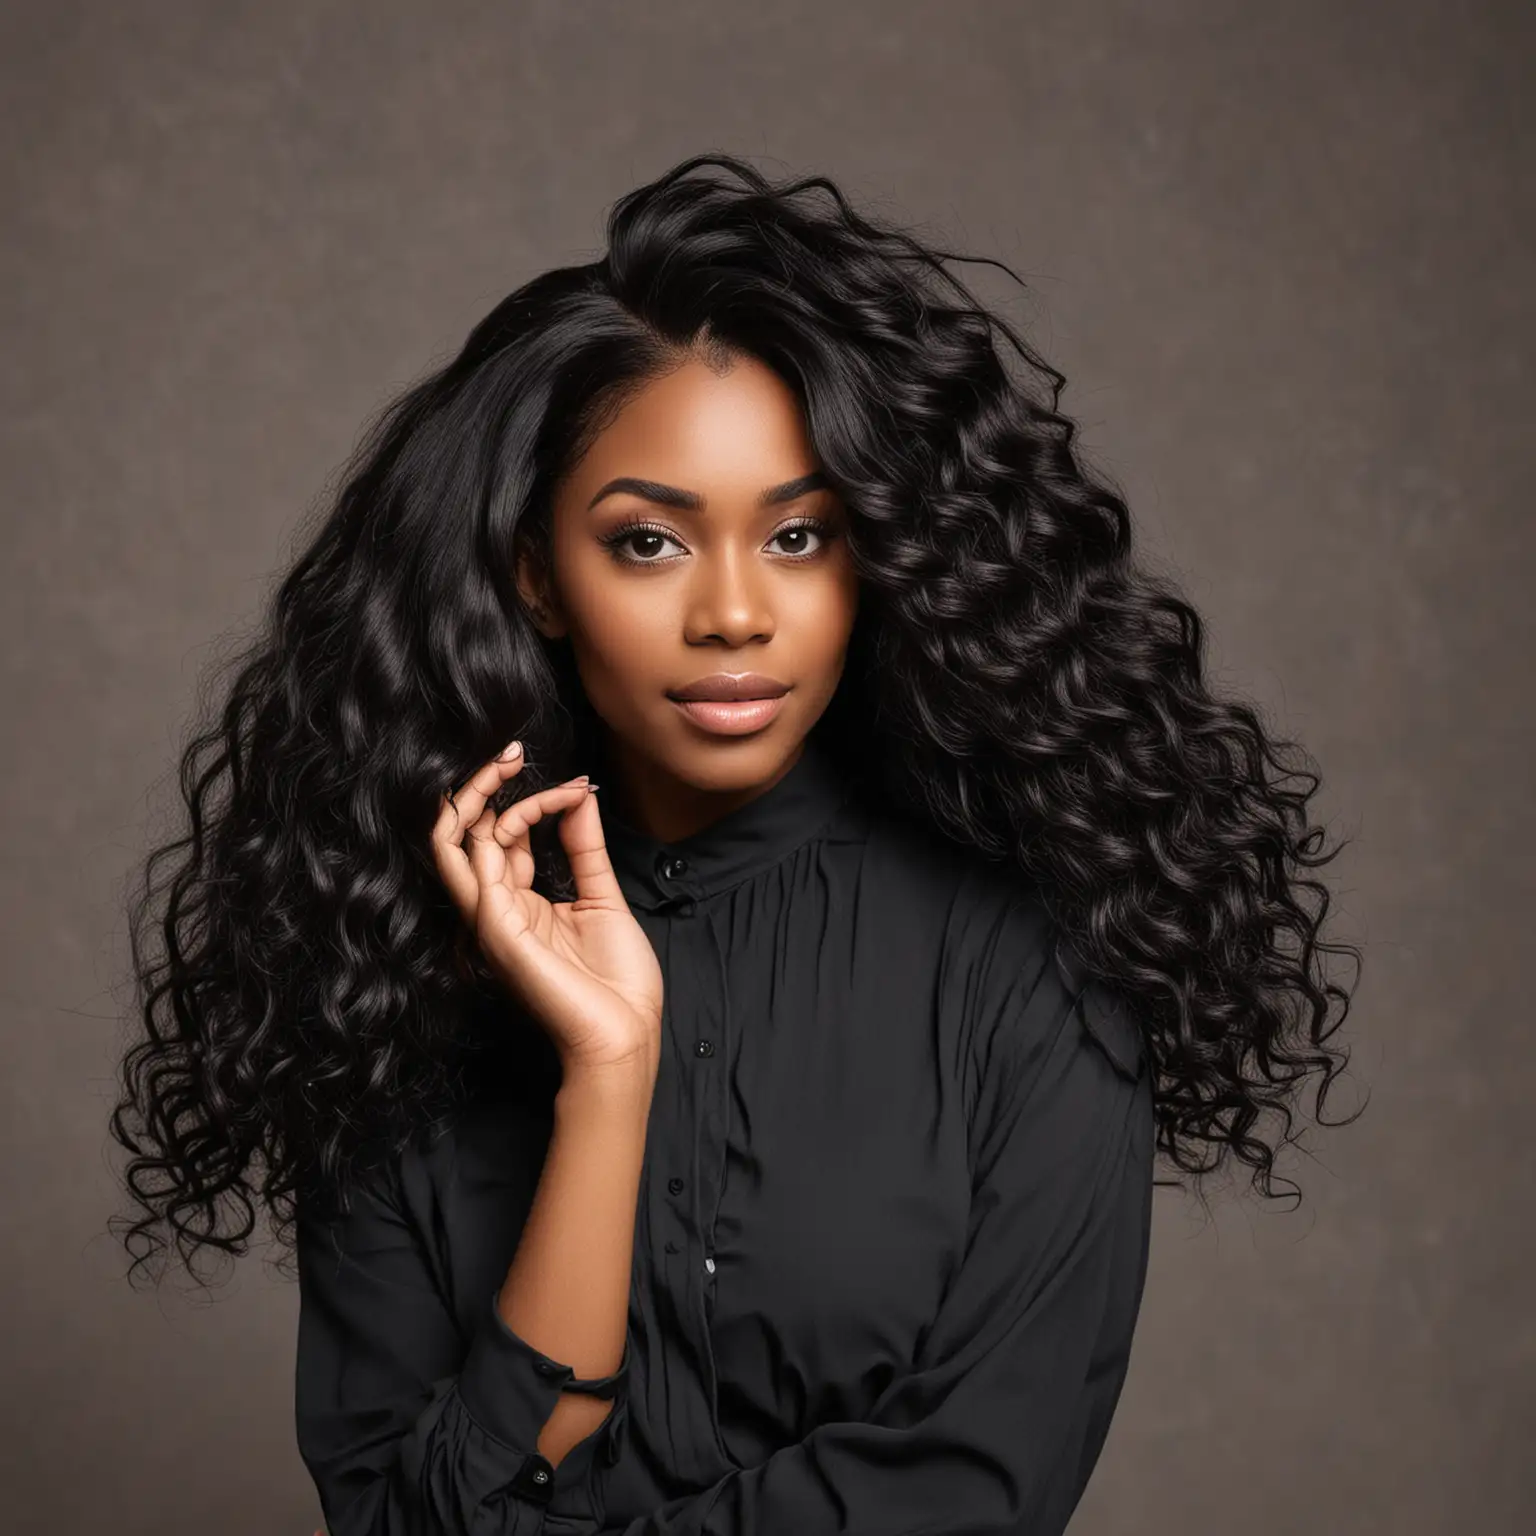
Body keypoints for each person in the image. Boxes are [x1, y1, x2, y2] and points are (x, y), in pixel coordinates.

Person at [109, 154, 1362, 1535]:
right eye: (648, 542)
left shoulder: (1032, 961)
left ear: (876, 556)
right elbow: (401, 1518)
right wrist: (607, 1077)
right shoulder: (385, 967)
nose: (733, 615)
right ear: (536, 574)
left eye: (801, 536)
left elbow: (977, 1491)